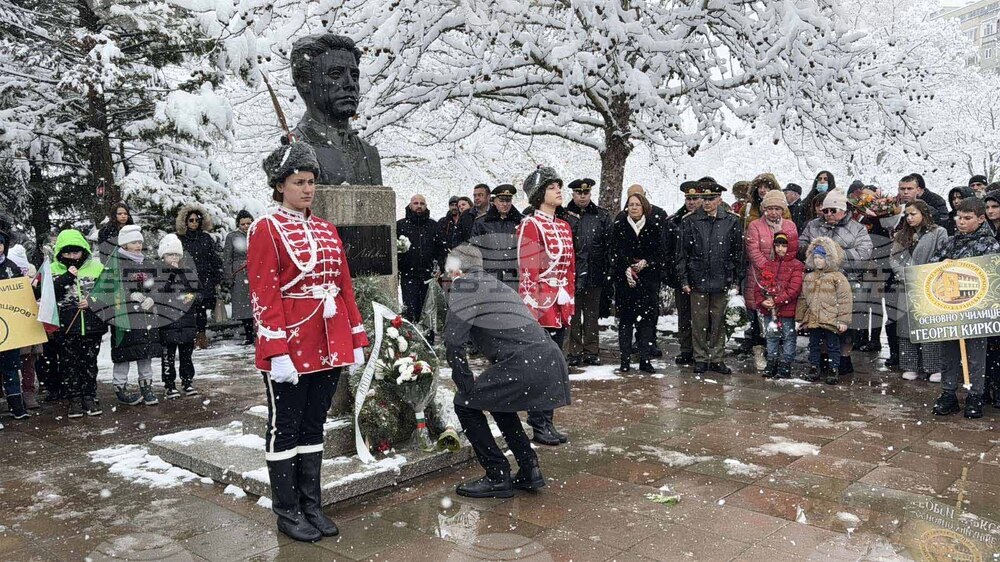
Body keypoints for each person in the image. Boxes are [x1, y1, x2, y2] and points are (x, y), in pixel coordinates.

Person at [249, 141, 369, 542]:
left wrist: (355, 338)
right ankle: (287, 511)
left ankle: (311, 505)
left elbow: (344, 287)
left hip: (328, 342)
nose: (307, 189)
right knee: (285, 427)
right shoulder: (265, 228)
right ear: (279, 185)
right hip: (290, 343)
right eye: (299, 182)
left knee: (314, 424)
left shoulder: (327, 229)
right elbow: (264, 295)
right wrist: (276, 351)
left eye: (311, 182)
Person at [444, 244, 570, 498]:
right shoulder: (495, 284)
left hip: (522, 362)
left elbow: (453, 341)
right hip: (547, 358)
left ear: (456, 270)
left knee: (465, 404)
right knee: (499, 402)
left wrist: (464, 383)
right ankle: (529, 469)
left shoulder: (464, 286)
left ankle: (496, 474)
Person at [517, 166, 575, 447]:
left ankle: (547, 420)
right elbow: (528, 272)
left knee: (554, 366)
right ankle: (538, 422)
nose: (558, 191)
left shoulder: (564, 226)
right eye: (552, 187)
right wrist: (532, 312)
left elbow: (570, 269)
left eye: (559, 186)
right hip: (541, 307)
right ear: (540, 194)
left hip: (560, 304)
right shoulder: (530, 225)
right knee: (540, 367)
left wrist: (569, 300)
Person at [930, 198, 1000, 419]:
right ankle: (948, 393)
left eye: (967, 218)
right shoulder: (950, 243)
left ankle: (975, 395)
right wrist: (941, 265)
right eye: (959, 217)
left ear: (980, 219)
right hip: (949, 308)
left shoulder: (990, 245)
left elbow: (992, 274)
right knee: (948, 353)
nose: (961, 222)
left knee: (976, 356)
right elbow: (932, 266)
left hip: (976, 310)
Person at [798, 189, 872, 377]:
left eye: (833, 210)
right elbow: (801, 245)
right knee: (820, 321)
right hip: (819, 281)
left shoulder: (857, 228)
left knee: (846, 324)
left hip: (847, 280)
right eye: (826, 210)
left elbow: (864, 252)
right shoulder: (813, 225)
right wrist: (814, 252)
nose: (829, 214)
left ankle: (844, 357)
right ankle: (823, 357)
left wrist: (836, 254)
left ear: (844, 210)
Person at [676, 181, 743, 375]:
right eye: (704, 199)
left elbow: (738, 253)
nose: (707, 203)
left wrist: (736, 280)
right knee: (699, 322)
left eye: (711, 199)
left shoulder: (731, 221)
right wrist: (684, 279)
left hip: (722, 278)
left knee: (718, 321)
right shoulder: (690, 221)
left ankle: (717, 358)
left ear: (719, 199)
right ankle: (700, 358)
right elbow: (682, 254)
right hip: (697, 279)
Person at [889, 201, 947, 383]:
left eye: (913, 214)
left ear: (924, 213)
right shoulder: (901, 235)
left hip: (930, 284)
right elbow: (894, 258)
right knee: (906, 327)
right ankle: (910, 365)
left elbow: (943, 255)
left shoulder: (938, 232)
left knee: (929, 326)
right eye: (907, 214)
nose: (909, 218)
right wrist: (905, 274)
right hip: (906, 284)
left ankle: (933, 367)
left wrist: (925, 274)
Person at [51, 229, 107, 418]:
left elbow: (109, 292)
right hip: (66, 327)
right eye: (67, 253)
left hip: (92, 325)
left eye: (76, 252)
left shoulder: (96, 267)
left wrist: (93, 302)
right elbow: (48, 294)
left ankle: (89, 396)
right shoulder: (53, 269)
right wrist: (67, 276)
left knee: (89, 363)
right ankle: (74, 398)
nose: (72, 256)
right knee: (69, 364)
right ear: (60, 253)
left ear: (84, 250)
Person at [105, 224, 161, 407]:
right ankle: (120, 386)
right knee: (124, 352)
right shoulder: (115, 263)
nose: (138, 245)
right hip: (125, 317)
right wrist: (129, 296)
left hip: (146, 317)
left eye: (139, 242)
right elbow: (109, 290)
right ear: (124, 244)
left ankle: (146, 386)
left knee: (145, 352)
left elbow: (158, 286)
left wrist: (152, 298)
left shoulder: (147, 263)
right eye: (134, 242)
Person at [744, 189, 799, 371]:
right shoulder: (755, 225)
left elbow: (792, 248)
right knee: (761, 317)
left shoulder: (790, 225)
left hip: (785, 277)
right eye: (769, 208)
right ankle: (761, 351)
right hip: (760, 277)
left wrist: (782, 269)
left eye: (777, 208)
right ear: (764, 209)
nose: (773, 212)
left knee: (783, 317)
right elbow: (753, 250)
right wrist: (768, 269)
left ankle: (781, 356)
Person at [610, 192, 662, 373]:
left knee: (646, 322)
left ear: (644, 207)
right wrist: (626, 267)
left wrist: (646, 262)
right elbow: (614, 252)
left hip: (647, 282)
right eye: (631, 204)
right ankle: (625, 360)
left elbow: (659, 253)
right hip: (626, 283)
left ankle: (645, 359)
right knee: (625, 321)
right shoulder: (619, 227)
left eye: (637, 205)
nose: (634, 208)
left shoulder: (653, 228)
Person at [563, 178, 612, 367]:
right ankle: (574, 351)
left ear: (590, 194)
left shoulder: (602, 216)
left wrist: (607, 271)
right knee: (573, 315)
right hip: (571, 273)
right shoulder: (564, 215)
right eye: (578, 193)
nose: (582, 196)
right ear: (573, 194)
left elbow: (608, 246)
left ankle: (591, 350)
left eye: (585, 193)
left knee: (592, 314)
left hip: (594, 271)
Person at [797, 238, 852, 385]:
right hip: (814, 317)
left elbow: (845, 300)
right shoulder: (809, 277)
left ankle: (834, 368)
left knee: (833, 345)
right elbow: (803, 298)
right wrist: (800, 318)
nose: (817, 261)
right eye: (815, 258)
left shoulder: (838, 277)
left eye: (821, 258)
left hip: (831, 318)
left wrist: (843, 320)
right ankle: (814, 367)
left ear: (828, 259)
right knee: (814, 344)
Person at [156, 233, 201, 399]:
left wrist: (191, 298)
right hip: (167, 322)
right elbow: (157, 294)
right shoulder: (159, 273)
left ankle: (187, 381)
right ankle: (169, 384)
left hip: (186, 321)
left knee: (186, 356)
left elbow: (199, 292)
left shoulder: (188, 272)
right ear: (163, 256)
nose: (174, 258)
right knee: (168, 357)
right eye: (170, 254)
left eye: (176, 254)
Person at [755, 233, 803, 379]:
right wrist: (762, 301)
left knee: (788, 336)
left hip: (787, 309)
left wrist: (777, 300)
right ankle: (772, 360)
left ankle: (786, 363)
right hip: (770, 309)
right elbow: (758, 287)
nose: (780, 249)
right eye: (777, 245)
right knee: (771, 335)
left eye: (784, 246)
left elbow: (794, 289)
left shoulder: (796, 265)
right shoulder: (768, 265)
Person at [175, 203, 222, 349]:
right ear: (185, 221)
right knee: (188, 307)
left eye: (197, 220)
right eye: (191, 220)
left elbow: (213, 258)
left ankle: (201, 336)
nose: (194, 223)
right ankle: (190, 337)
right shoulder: (179, 239)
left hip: (204, 279)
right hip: (187, 280)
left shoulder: (206, 238)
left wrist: (216, 277)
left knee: (201, 309)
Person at [668, 182, 703, 366]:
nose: (691, 202)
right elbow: (669, 250)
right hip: (681, 274)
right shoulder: (675, 220)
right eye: (688, 198)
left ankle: (701, 350)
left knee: (701, 316)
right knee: (684, 315)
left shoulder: (706, 218)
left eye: (695, 198)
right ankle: (686, 349)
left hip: (702, 275)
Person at [397, 194, 444, 322]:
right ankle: (412, 334)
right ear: (410, 205)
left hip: (429, 277)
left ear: (426, 206)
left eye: (422, 203)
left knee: (429, 313)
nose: (419, 206)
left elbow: (442, 249)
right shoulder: (400, 226)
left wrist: (440, 265)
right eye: (416, 203)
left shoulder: (433, 226)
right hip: (409, 277)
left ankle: (428, 334)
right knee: (410, 312)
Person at [0, 230, 30, 421]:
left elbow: (21, 292)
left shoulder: (11, 266)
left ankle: (16, 405)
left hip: (10, 328)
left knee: (11, 367)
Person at [470, 184, 524, 290]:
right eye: (501, 201)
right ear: (494, 201)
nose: (505, 204)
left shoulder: (521, 222)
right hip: (490, 275)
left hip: (515, 275)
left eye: (508, 201)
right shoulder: (482, 223)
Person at [7, 244, 41, 409]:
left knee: (28, 361)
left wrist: (35, 289)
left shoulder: (32, 275)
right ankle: (11, 394)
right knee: (8, 362)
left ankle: (28, 392)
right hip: (9, 323)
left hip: (27, 323)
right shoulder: (7, 271)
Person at [224, 210, 255, 345]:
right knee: (244, 306)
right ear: (238, 224)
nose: (246, 226)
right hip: (240, 274)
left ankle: (259, 332)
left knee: (257, 302)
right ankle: (249, 334)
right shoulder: (232, 237)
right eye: (243, 224)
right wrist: (229, 277)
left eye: (248, 223)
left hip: (256, 271)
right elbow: (227, 259)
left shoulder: (257, 234)